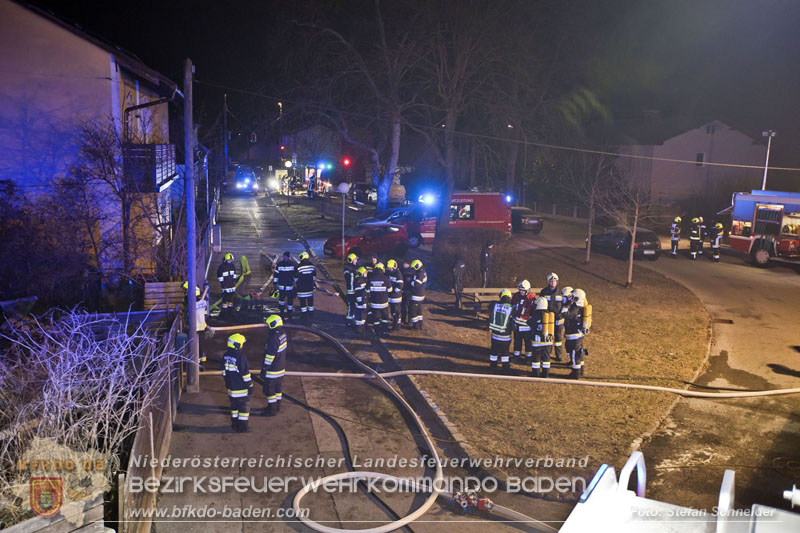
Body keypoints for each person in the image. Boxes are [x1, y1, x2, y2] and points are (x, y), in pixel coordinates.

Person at [222, 333, 252, 432]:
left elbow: (224, 372)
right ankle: (242, 428)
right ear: (237, 345)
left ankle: (234, 424)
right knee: (243, 408)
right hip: (241, 389)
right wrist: (250, 386)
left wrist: (227, 382)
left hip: (231, 389)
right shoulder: (241, 357)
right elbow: (245, 374)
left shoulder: (225, 356)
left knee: (234, 407)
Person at [262, 314, 288, 416]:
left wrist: (265, 368)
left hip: (272, 370)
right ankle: (277, 406)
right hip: (281, 367)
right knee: (278, 388)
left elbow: (270, 355)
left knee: (269, 390)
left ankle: (272, 410)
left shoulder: (273, 338)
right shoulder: (282, 333)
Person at [539, 273, 565, 361]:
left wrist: (562, 314)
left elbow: (565, 305)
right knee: (548, 336)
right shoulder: (544, 292)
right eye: (551, 281)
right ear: (548, 282)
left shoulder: (561, 292)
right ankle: (547, 353)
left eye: (554, 281)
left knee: (558, 337)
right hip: (548, 319)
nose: (553, 283)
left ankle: (559, 355)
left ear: (557, 282)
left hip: (559, 318)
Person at [182, 281, 209, 367]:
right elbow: (205, 314)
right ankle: (202, 362)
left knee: (194, 346)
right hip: (202, 326)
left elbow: (187, 314)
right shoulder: (202, 302)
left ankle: (195, 365)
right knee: (201, 345)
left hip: (194, 327)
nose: (185, 293)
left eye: (186, 291)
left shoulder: (191, 304)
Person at [565, 288, 589, 379]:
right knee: (578, 353)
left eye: (573, 297)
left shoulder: (575, 309)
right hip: (578, 335)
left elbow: (565, 314)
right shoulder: (581, 308)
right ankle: (580, 371)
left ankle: (576, 374)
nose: (571, 299)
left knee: (575, 354)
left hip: (574, 336)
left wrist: (566, 305)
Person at [488, 289, 514, 371]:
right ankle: (505, 367)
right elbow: (512, 322)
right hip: (505, 336)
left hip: (495, 335)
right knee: (505, 353)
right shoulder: (511, 308)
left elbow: (490, 307)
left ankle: (492, 366)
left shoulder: (495, 305)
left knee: (494, 351)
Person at [528, 296, 553, 378]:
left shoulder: (536, 315)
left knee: (536, 358)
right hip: (548, 341)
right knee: (546, 358)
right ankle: (545, 374)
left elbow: (529, 323)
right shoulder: (550, 315)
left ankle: (536, 374)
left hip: (537, 342)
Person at [511, 280, 535, 361]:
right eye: (520, 290)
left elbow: (534, 312)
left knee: (528, 343)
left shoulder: (532, 299)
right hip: (517, 324)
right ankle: (516, 356)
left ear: (527, 290)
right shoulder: (515, 296)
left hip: (527, 326)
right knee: (517, 341)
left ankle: (529, 358)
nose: (521, 292)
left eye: (523, 290)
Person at [368, 262, 392, 338]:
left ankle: (377, 332)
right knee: (385, 318)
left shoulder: (371, 279)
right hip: (384, 303)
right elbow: (390, 290)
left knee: (376, 319)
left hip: (374, 304)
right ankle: (384, 331)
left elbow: (367, 291)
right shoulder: (386, 278)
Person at [275, 251, 297, 320]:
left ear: (288, 257)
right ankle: (282, 312)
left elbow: (296, 275)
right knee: (282, 300)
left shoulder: (291, 264)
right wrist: (275, 283)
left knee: (289, 300)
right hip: (284, 286)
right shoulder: (281, 264)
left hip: (288, 286)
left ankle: (289, 313)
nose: (285, 258)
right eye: (284, 257)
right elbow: (276, 275)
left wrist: (295, 282)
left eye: (286, 257)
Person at [294, 251, 316, 322]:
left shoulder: (299, 267)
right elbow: (314, 277)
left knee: (303, 303)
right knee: (310, 303)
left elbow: (295, 278)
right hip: (310, 288)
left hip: (301, 288)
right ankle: (311, 315)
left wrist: (297, 284)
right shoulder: (312, 266)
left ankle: (304, 316)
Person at [409, 259, 427, 330]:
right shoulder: (422, 271)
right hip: (420, 295)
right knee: (419, 310)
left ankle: (415, 326)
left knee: (412, 310)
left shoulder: (420, 274)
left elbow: (416, 284)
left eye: (413, 268)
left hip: (417, 295)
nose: (413, 270)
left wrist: (410, 281)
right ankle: (420, 324)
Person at [386, 259, 403, 329]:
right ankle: (395, 324)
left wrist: (393, 291)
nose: (390, 269)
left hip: (396, 297)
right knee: (393, 311)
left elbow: (400, 286)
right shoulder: (391, 272)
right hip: (392, 297)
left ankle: (396, 326)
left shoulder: (398, 274)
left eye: (391, 268)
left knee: (396, 312)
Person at [343, 253, 358, 326]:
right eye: (355, 259)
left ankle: (351, 319)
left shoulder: (349, 268)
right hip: (351, 291)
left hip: (351, 291)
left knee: (353, 306)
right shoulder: (350, 270)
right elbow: (352, 281)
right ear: (351, 260)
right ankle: (348, 321)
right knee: (351, 306)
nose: (356, 261)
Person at [353, 266, 368, 333]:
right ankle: (360, 329)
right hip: (361, 301)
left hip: (360, 300)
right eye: (365, 272)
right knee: (361, 315)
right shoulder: (360, 281)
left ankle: (360, 328)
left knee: (361, 314)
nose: (366, 273)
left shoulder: (359, 280)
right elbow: (360, 292)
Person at [400, 261, 413, 326]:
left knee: (409, 306)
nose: (404, 264)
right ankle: (403, 319)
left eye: (405, 263)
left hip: (409, 292)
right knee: (403, 306)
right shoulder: (402, 270)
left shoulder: (411, 271)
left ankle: (409, 320)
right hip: (404, 291)